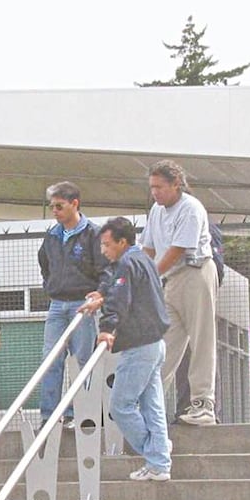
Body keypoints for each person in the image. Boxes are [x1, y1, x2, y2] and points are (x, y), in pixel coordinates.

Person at [82, 217, 172, 481]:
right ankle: (159, 461)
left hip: (139, 346)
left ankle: (156, 454)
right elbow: (116, 289)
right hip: (155, 343)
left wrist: (107, 329)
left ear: (123, 242)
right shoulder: (142, 260)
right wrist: (100, 297)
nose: (103, 250)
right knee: (151, 406)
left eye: (108, 245)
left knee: (120, 405)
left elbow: (120, 299)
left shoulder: (127, 263)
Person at [140, 159, 220, 426]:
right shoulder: (155, 210)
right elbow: (149, 248)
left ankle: (202, 404)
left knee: (201, 339)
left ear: (176, 185)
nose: (155, 192)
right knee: (163, 345)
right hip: (170, 281)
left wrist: (150, 275)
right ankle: (149, 405)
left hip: (195, 273)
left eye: (160, 187)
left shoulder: (191, 208)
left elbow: (177, 250)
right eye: (152, 187)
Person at [37, 181, 106, 430]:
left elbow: (103, 267)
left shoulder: (93, 234)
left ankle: (84, 412)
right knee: (50, 359)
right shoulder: (52, 236)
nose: (54, 211)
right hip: (57, 304)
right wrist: (52, 286)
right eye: (52, 206)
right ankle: (51, 415)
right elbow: (45, 263)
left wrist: (97, 294)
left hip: (83, 305)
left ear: (74, 203)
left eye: (59, 206)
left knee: (83, 359)